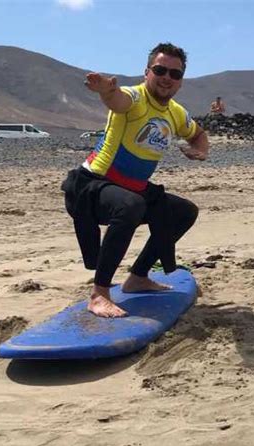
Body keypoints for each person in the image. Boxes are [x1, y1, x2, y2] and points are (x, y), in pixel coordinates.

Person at [61, 42, 209, 318]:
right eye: (160, 70)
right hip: (91, 186)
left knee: (183, 211)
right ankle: (99, 293)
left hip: (132, 190)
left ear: (180, 82)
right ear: (147, 72)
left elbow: (199, 134)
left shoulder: (175, 112)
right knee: (131, 205)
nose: (167, 77)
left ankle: (138, 278)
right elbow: (117, 99)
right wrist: (107, 90)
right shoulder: (134, 98)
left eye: (174, 74)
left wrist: (199, 150)